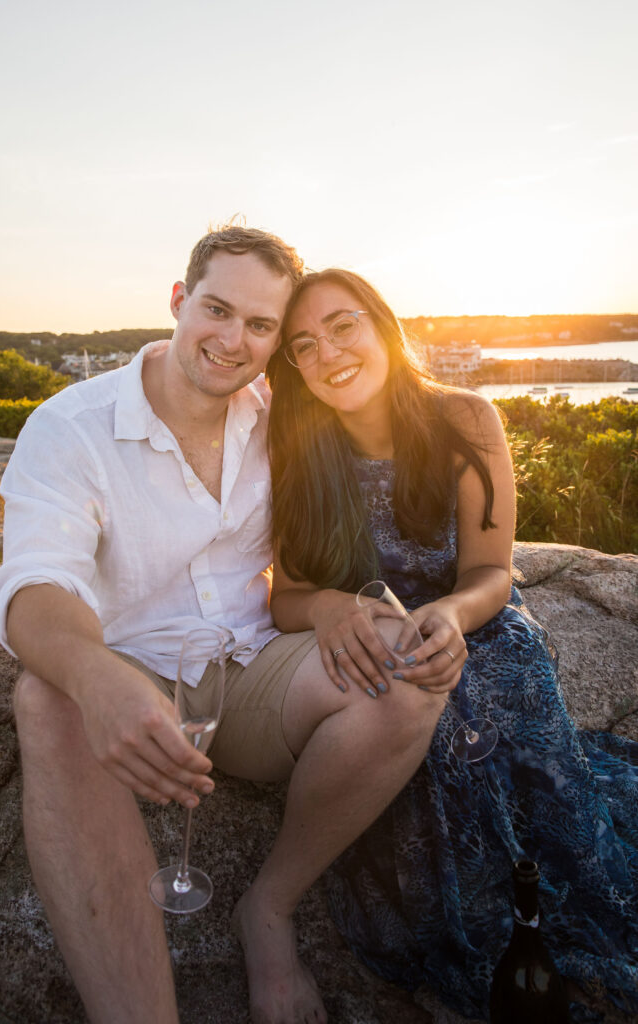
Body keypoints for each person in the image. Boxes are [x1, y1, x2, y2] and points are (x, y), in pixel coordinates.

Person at [0, 227, 454, 1024]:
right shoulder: (72, 427)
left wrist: (356, 603)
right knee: (48, 698)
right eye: (216, 309)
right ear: (179, 301)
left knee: (407, 671)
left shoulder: (283, 413)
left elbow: (393, 417)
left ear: (277, 341)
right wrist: (97, 678)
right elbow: (36, 583)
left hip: (254, 666)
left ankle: (267, 910)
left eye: (260, 326)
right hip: (135, 673)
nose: (233, 340)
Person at [266, 268, 638, 1021]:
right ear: (294, 368)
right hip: (377, 640)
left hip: (476, 622)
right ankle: (469, 929)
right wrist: (334, 608)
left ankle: (538, 911)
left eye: (342, 326)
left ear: (381, 326)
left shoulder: (463, 417)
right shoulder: (300, 449)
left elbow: (490, 573)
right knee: (405, 709)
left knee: (487, 694)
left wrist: (452, 617)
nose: (328, 352)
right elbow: (286, 598)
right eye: (303, 344)